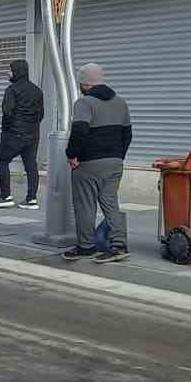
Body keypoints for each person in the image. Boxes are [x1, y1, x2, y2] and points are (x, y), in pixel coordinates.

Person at [63, 63, 134, 264]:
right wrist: (118, 157)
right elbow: (127, 134)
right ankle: (119, 245)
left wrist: (72, 155)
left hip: (89, 164)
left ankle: (86, 247)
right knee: (111, 203)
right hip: (114, 163)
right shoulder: (121, 102)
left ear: (84, 84)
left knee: (85, 205)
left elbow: (79, 131)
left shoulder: (84, 103)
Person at [0, 59, 45, 210]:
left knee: (2, 161)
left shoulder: (12, 90)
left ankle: (5, 196)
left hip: (14, 135)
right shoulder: (37, 90)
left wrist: (6, 131)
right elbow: (41, 114)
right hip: (32, 135)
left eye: (10, 70)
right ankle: (31, 199)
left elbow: (7, 112)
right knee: (31, 165)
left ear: (16, 71)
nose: (8, 73)